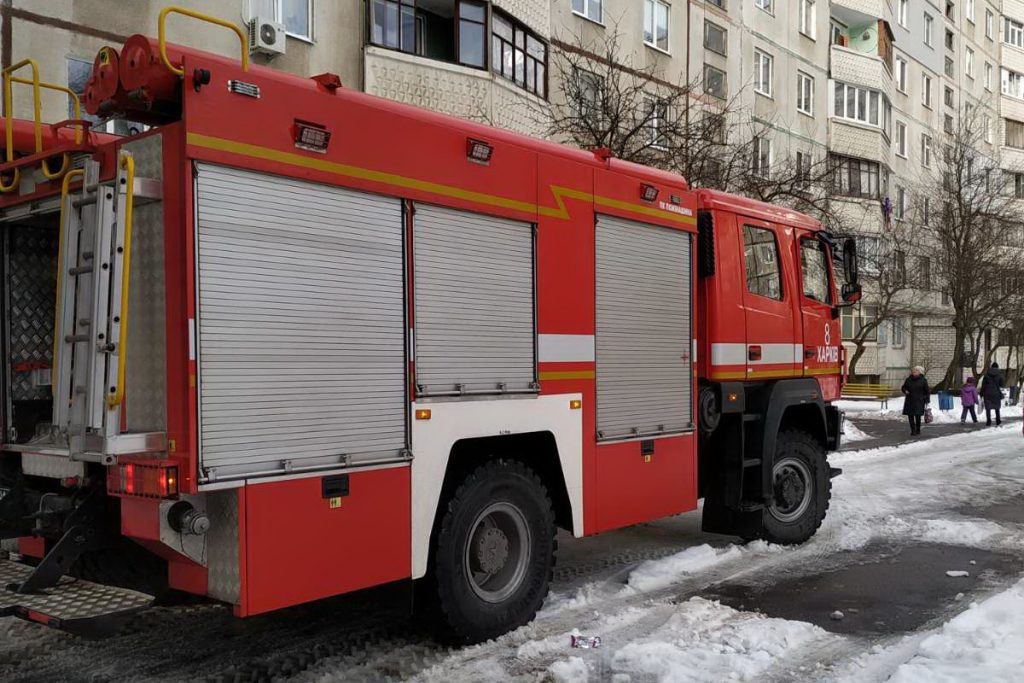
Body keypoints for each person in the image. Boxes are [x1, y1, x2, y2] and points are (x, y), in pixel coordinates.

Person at [902, 366, 930, 436]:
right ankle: (913, 430)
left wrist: (926, 400)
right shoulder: (908, 379)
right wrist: (905, 391)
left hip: (919, 401)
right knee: (910, 416)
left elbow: (927, 391)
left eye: (916, 370)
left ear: (919, 372)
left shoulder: (923, 380)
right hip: (910, 401)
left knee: (918, 416)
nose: (914, 371)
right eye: (914, 370)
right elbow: (903, 387)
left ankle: (918, 430)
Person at [980, 362, 1005, 427]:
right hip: (996, 393)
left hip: (987, 393)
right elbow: (1002, 384)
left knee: (988, 408)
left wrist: (981, 393)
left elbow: (983, 385)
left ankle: (988, 421)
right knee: (997, 408)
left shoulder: (986, 374)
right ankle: (998, 421)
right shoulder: (999, 374)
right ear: (997, 367)